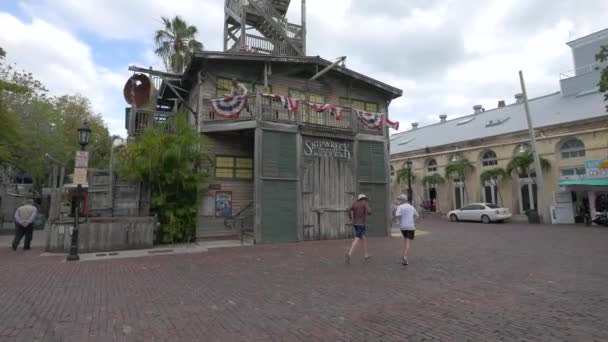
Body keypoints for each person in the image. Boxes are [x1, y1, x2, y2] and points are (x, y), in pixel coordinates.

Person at [346, 194, 371, 264]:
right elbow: (369, 211)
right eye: (365, 198)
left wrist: (351, 218)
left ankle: (366, 254)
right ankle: (349, 253)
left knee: (364, 237)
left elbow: (348, 210)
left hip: (355, 224)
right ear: (363, 198)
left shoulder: (354, 203)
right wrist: (367, 212)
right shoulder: (364, 203)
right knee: (357, 238)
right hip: (361, 224)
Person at [394, 194, 419, 265]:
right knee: (408, 243)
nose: (399, 201)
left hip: (403, 227)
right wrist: (413, 221)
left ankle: (404, 255)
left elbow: (397, 215)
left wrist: (398, 221)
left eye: (399, 200)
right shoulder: (411, 207)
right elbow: (417, 215)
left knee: (405, 241)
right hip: (411, 227)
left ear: (402, 200)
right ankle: (405, 257)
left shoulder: (400, 207)